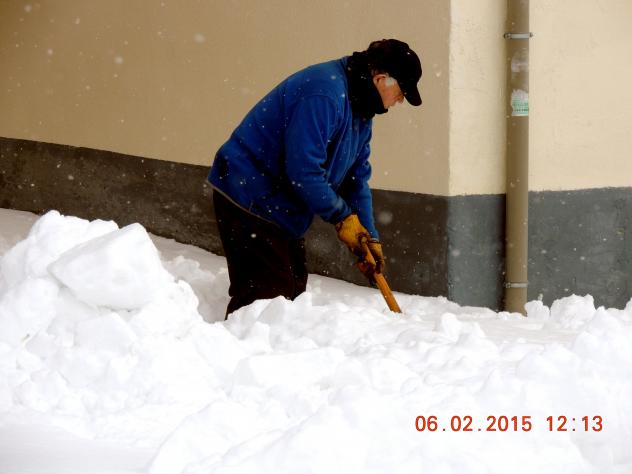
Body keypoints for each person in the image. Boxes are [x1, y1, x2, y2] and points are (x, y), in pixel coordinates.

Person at [208, 38, 422, 316]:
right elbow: (303, 171)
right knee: (264, 303)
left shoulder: (361, 110)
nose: (400, 101)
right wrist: (342, 217)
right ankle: (238, 342)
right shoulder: (325, 94)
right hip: (249, 195)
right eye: (401, 93)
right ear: (381, 79)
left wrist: (369, 237)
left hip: (281, 206)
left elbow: (355, 180)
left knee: (292, 296)